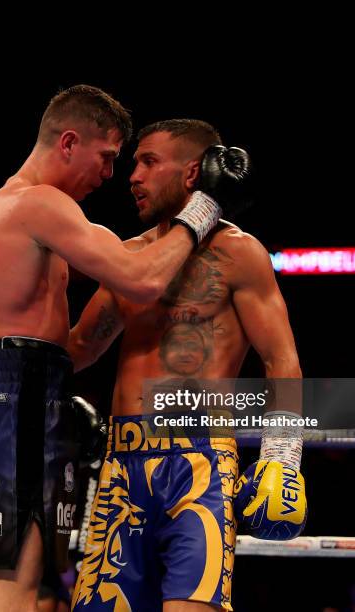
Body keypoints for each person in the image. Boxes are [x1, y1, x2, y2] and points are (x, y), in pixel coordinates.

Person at [0, 88, 245, 612]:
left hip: (2, 393)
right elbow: (140, 280)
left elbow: (73, 345)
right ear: (70, 142)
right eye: (108, 157)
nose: (112, 175)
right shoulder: (41, 203)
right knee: (15, 594)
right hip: (19, 400)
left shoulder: (4, 204)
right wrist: (206, 206)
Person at [68, 119, 307, 611]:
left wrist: (282, 458)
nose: (133, 175)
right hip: (121, 467)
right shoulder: (127, 258)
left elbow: (280, 358)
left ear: (194, 172)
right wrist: (0, 357)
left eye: (149, 162)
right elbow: (79, 349)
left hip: (200, 466)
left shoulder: (239, 254)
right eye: (134, 163)